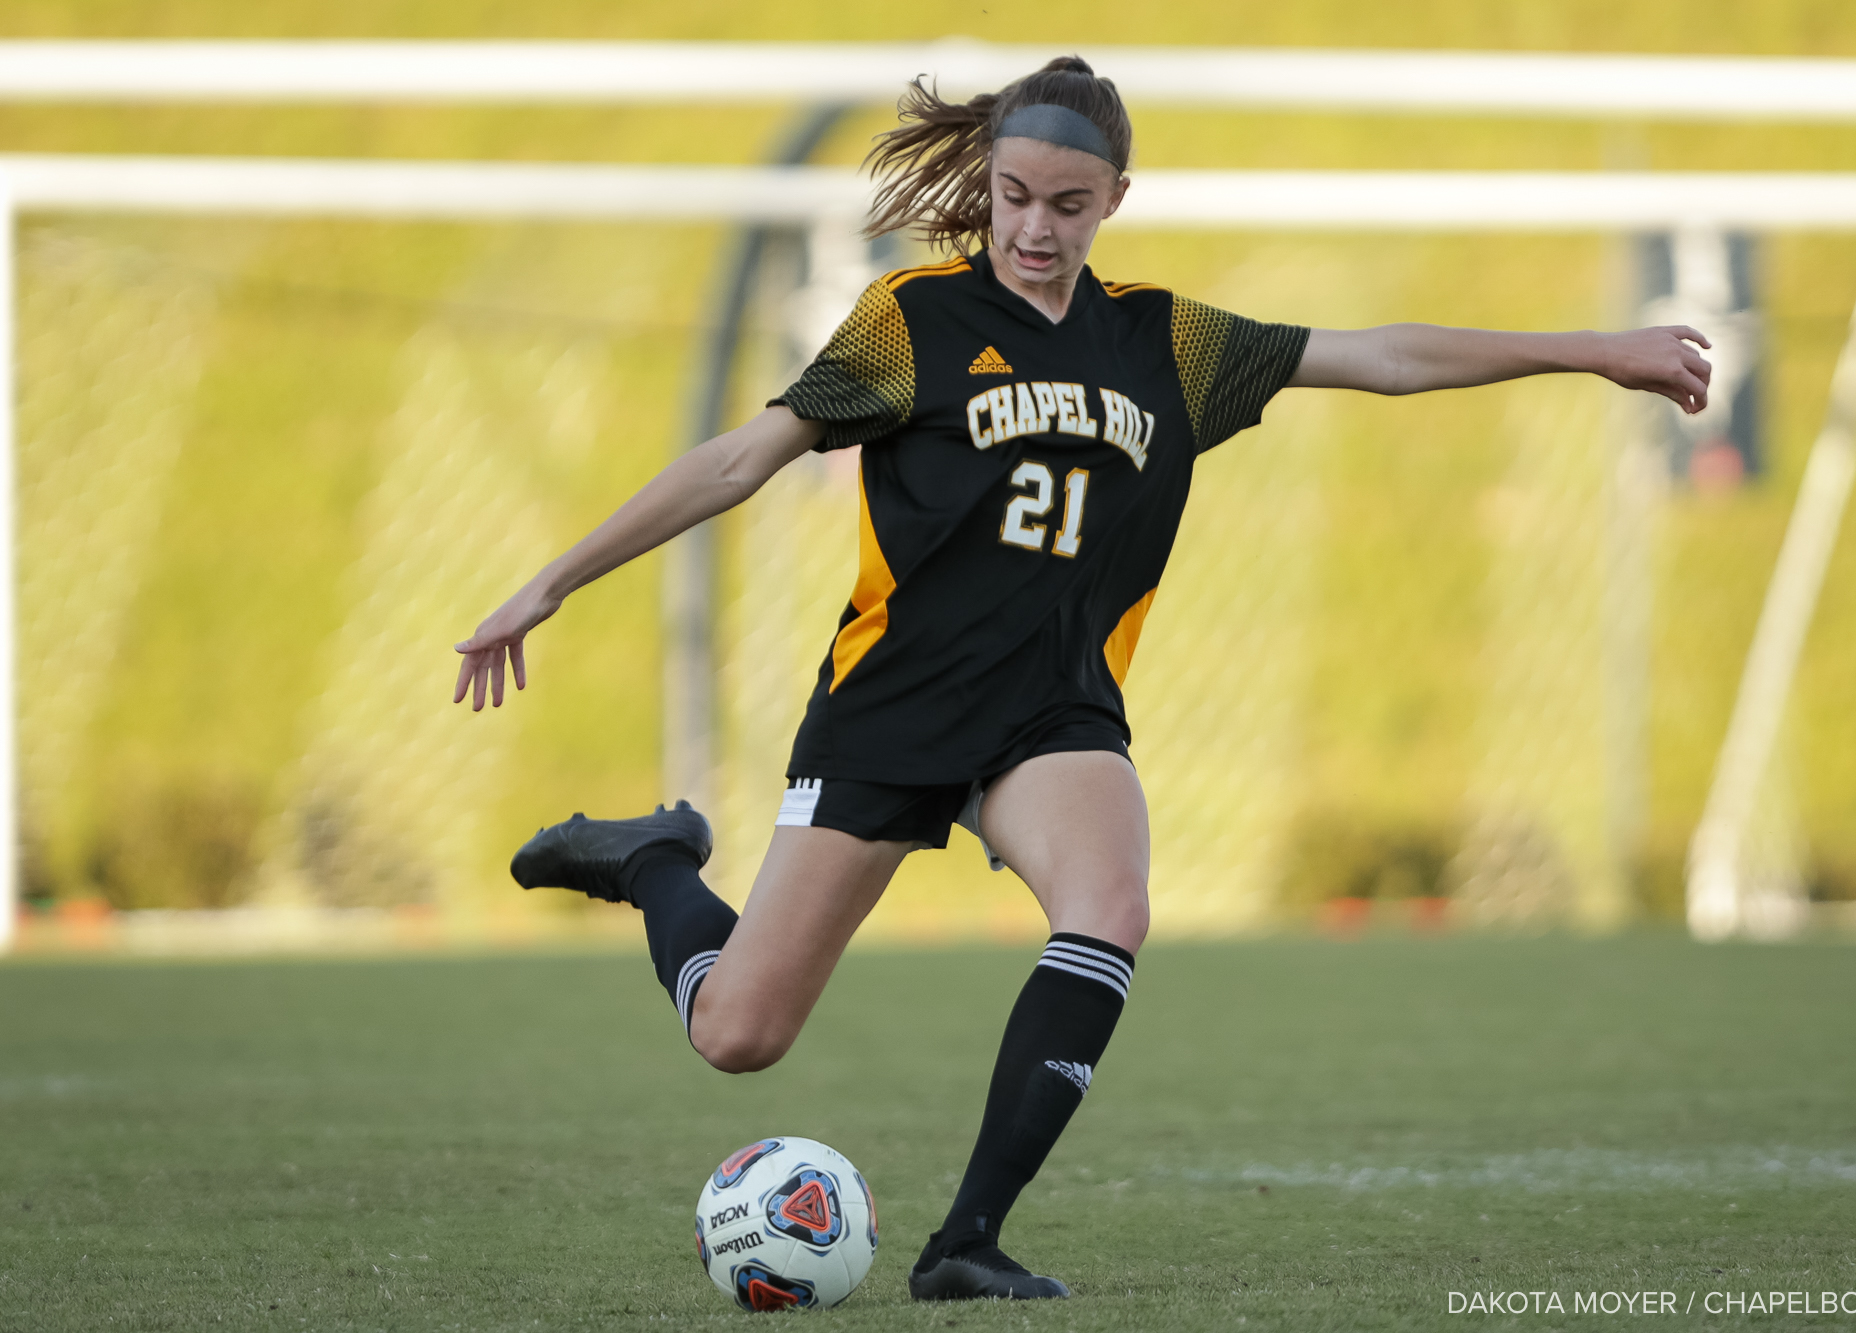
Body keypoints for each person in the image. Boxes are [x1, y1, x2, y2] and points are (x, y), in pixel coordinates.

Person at [451, 56, 1713, 1302]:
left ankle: (964, 1242)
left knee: (1108, 906)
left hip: (1052, 712)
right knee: (738, 1034)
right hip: (896, 703)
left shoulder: (1166, 342)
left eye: (1064, 203)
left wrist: (1600, 349)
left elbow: (1382, 355)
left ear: (1114, 195)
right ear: (986, 184)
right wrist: (550, 582)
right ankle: (655, 860)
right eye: (1010, 197)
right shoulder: (913, 321)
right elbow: (739, 461)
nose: (1031, 229)